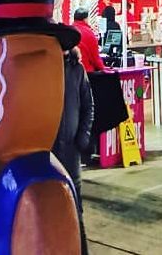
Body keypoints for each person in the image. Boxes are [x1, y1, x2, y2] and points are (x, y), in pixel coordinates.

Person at [53, 46, 95, 255]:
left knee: (76, 211)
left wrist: (83, 137)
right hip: (48, 154)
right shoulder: (42, 70)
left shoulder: (76, 70)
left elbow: (88, 106)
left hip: (71, 152)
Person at [72, 7, 106, 75]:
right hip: (86, 73)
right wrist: (103, 69)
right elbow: (95, 58)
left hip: (70, 72)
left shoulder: (69, 31)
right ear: (85, 19)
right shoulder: (89, 33)